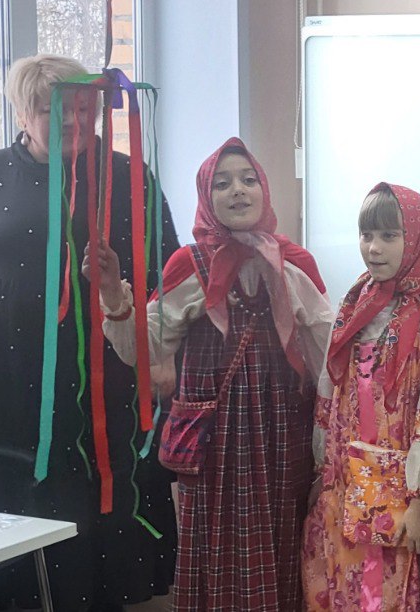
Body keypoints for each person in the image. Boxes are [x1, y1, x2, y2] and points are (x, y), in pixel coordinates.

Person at [96, 138, 334, 610]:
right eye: (222, 183)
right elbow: (144, 348)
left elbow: (327, 354)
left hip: (283, 432)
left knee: (284, 540)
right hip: (214, 442)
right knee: (217, 547)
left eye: (248, 179)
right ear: (207, 196)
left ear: (264, 190)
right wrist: (113, 296)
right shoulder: (189, 265)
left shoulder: (293, 264)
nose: (238, 190)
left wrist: (330, 437)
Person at [0, 53, 180, 609]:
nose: (75, 123)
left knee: (98, 520)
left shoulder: (127, 176)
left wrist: (159, 356)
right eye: (56, 112)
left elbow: (167, 274)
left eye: (84, 109)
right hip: (12, 386)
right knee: (23, 526)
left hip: (107, 390)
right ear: (22, 114)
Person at [302, 184, 420, 611]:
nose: (373, 248)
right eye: (366, 235)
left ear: (416, 236)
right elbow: (328, 389)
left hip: (402, 489)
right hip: (344, 482)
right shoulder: (355, 301)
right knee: (340, 588)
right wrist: (321, 471)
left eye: (389, 236)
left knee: (394, 592)